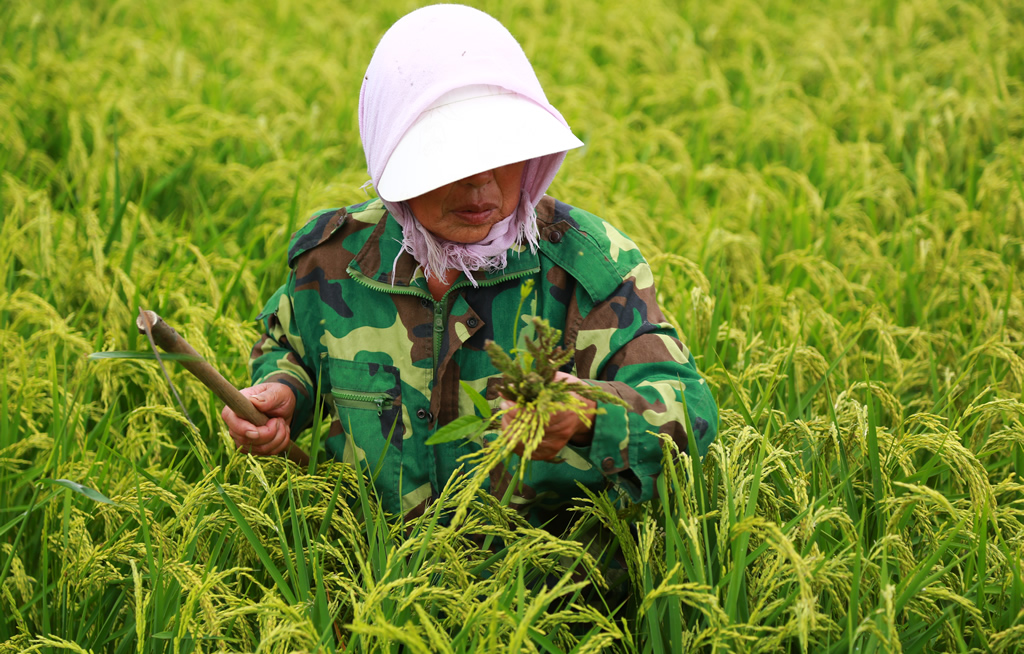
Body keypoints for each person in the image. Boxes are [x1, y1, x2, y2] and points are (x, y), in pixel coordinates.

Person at [221, 4, 718, 526]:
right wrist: (284, 393)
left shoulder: (584, 269)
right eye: (449, 159)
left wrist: (589, 415)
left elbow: (690, 412)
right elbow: (293, 348)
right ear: (391, 151)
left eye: (500, 153)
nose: (480, 186)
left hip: (543, 587)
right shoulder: (335, 260)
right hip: (375, 579)